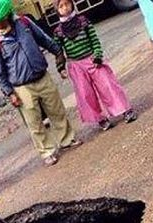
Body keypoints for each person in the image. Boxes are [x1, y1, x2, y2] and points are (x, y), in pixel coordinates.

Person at [0, 0, 80, 166]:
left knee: (57, 111)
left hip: (42, 76)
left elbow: (43, 38)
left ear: (8, 15)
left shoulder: (24, 23)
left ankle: (67, 140)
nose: (0, 25)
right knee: (34, 123)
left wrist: (58, 52)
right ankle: (47, 151)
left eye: (2, 20)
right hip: (22, 87)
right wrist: (10, 93)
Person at [53, 0, 137, 131]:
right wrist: (61, 67)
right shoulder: (58, 32)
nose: (65, 8)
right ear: (57, 10)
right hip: (76, 66)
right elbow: (58, 51)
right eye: (61, 6)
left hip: (92, 60)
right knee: (86, 94)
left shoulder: (83, 21)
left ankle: (125, 110)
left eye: (67, 4)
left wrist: (97, 55)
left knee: (108, 85)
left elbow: (94, 40)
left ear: (72, 4)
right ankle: (101, 119)